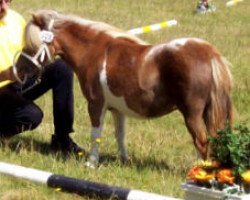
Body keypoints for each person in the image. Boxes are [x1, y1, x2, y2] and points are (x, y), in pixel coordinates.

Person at [0, 0, 85, 156]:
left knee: (61, 68)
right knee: (32, 116)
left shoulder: (15, 19)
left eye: (7, 1)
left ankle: (62, 140)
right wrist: (5, 74)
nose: (4, 7)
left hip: (19, 80)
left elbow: (28, 51)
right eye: (0, 2)